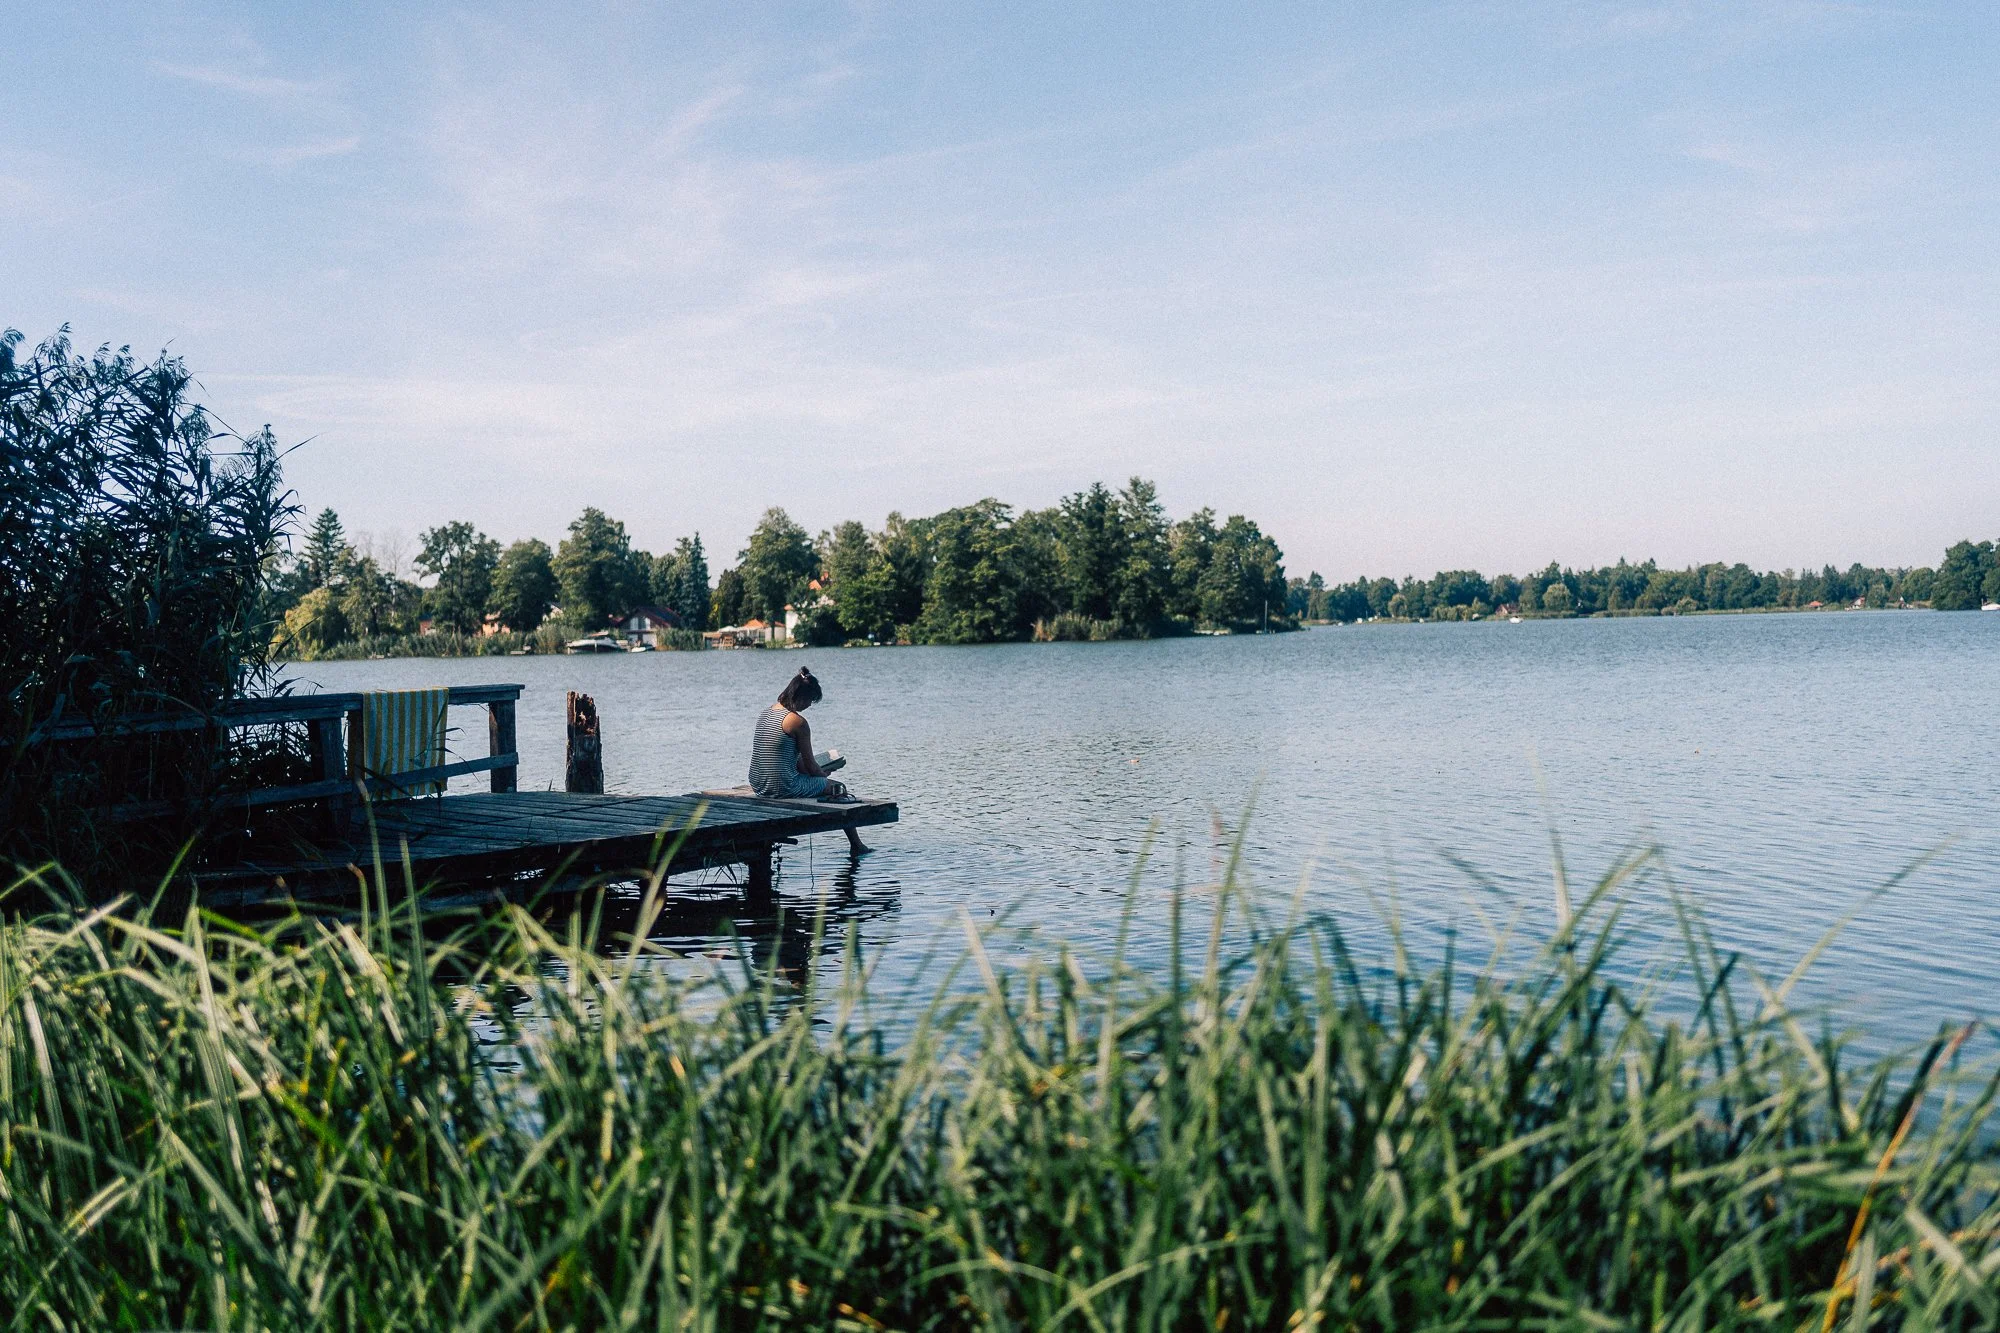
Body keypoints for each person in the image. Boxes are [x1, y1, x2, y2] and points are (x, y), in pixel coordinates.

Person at [749, 666, 850, 802]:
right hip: (783, 787)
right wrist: (823, 775)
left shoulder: (766, 713)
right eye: (810, 700)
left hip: (757, 785)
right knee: (838, 788)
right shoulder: (798, 722)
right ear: (802, 698)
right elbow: (810, 766)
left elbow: (797, 763)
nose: (809, 705)